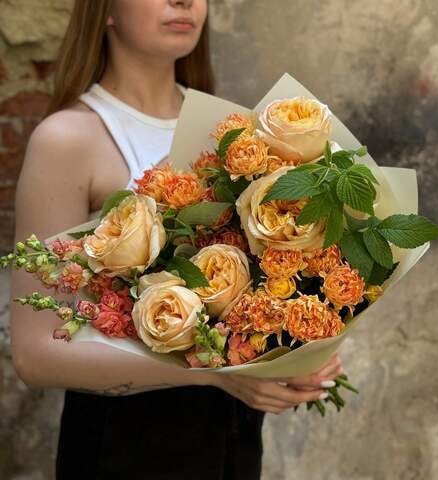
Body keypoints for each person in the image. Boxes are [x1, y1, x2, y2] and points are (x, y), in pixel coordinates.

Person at [9, 1, 344, 479]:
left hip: (231, 437)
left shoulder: (233, 132)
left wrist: (303, 340)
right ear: (103, 10)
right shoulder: (68, 138)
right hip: (124, 445)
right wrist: (219, 375)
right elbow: (36, 354)